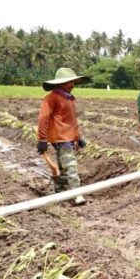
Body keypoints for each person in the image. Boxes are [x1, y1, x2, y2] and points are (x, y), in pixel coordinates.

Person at [36, 68, 92, 206]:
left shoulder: (69, 98)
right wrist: (42, 139)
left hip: (68, 137)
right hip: (60, 138)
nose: (72, 84)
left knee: (63, 165)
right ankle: (77, 194)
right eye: (69, 82)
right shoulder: (51, 98)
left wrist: (77, 137)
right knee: (71, 165)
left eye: (73, 81)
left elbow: (71, 121)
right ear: (60, 83)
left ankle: (60, 192)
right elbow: (43, 119)